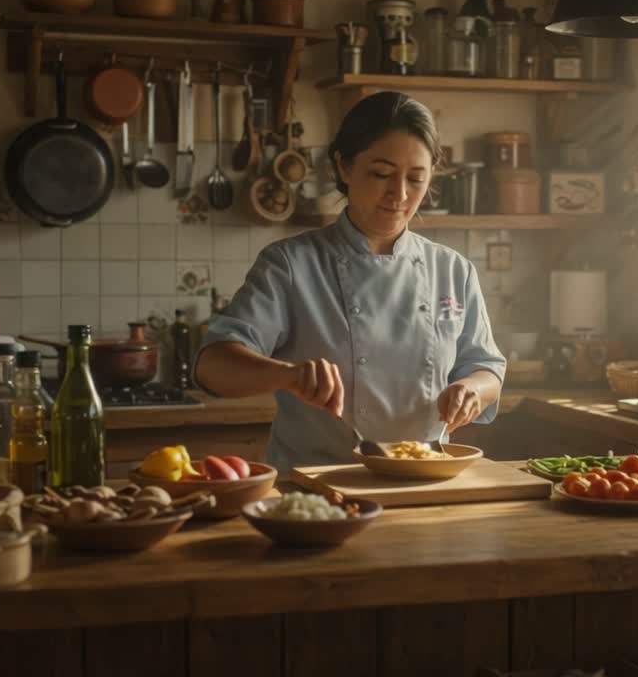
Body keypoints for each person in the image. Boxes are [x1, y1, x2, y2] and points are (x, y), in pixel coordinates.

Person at [193, 91, 506, 470]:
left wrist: (472, 389)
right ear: (343, 167)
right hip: (317, 489)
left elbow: (486, 367)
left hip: (425, 480)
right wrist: (287, 375)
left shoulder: (453, 270)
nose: (400, 194)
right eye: (382, 174)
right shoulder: (291, 264)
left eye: (416, 178)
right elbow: (212, 366)